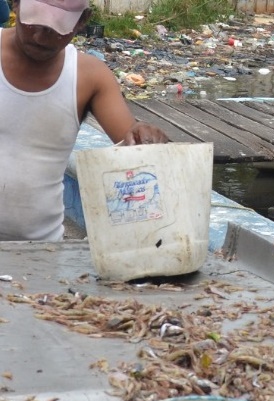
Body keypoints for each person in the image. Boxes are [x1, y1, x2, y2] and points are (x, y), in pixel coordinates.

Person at [0, 0, 169, 242]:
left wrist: (144, 135)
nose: (39, 36)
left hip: (40, 251)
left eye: (56, 27)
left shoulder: (89, 76)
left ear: (82, 21)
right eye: (34, 22)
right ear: (15, 5)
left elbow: (133, 144)